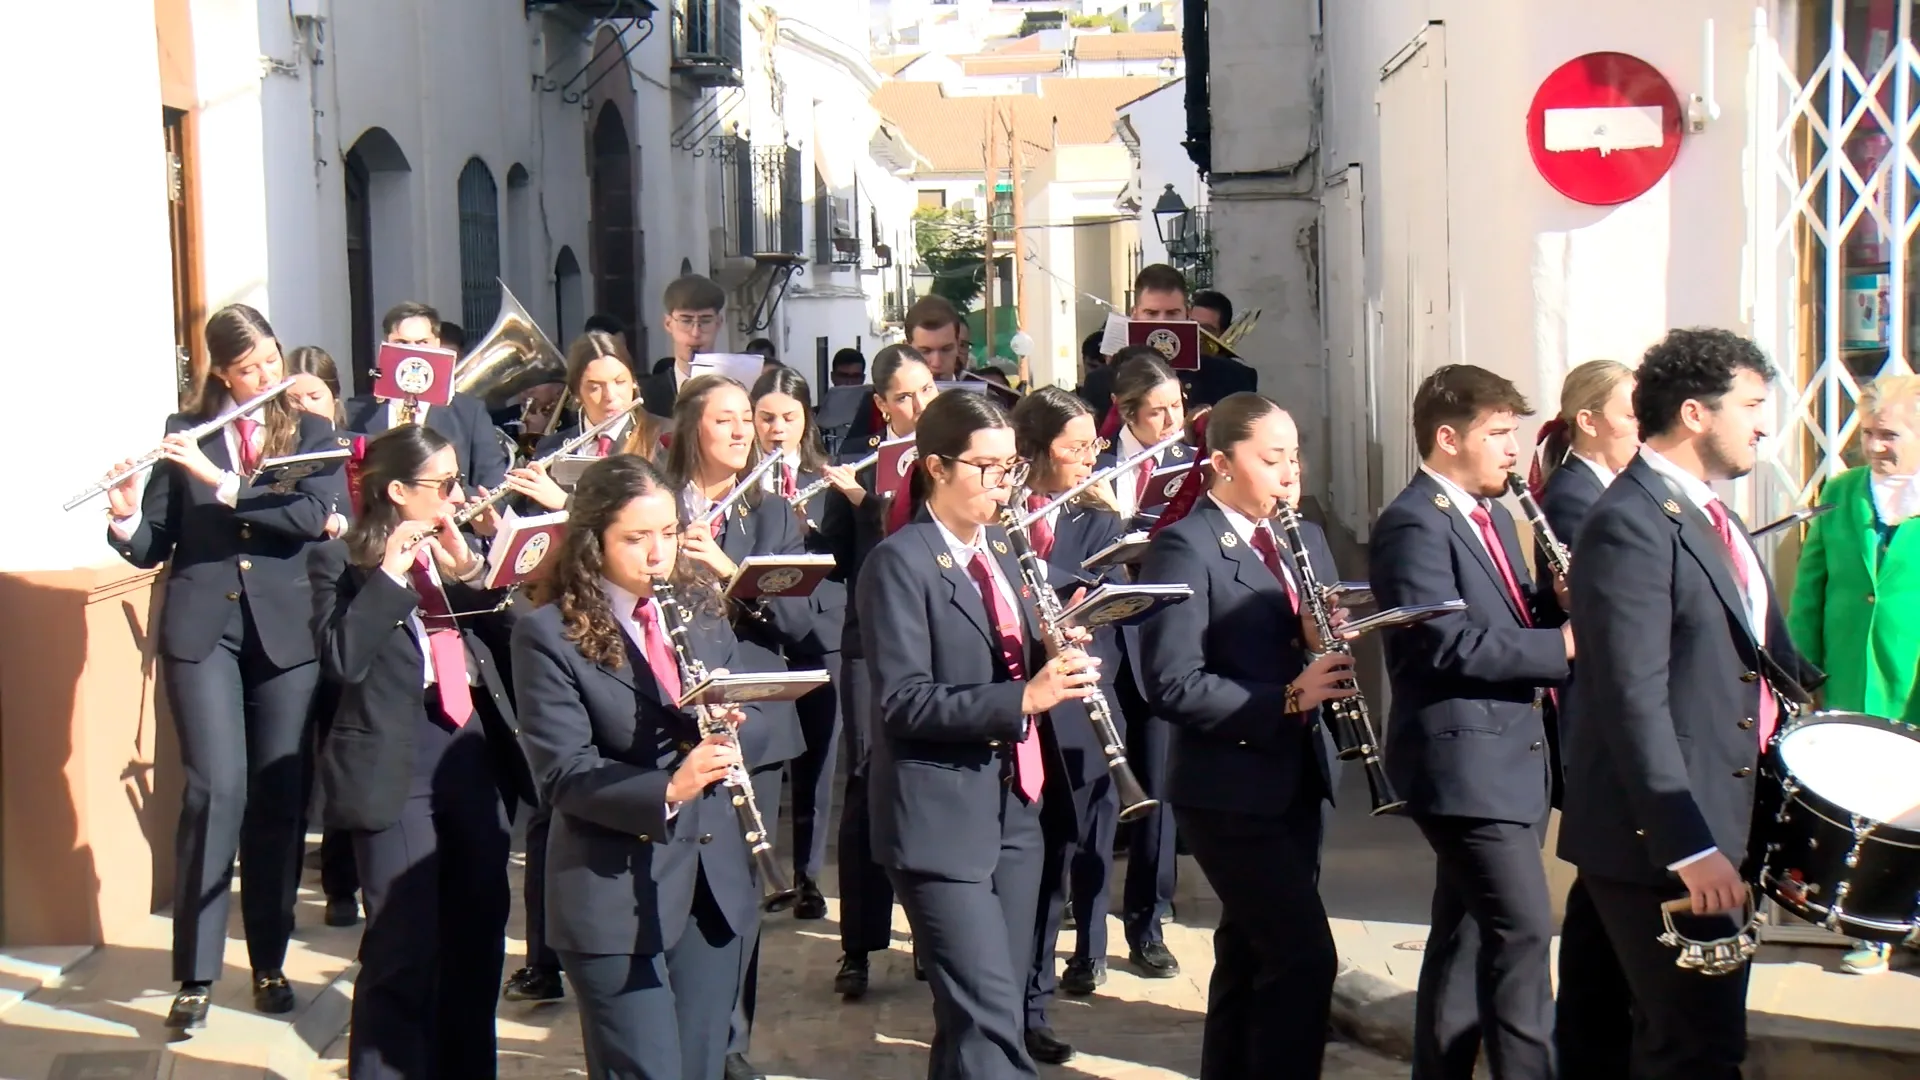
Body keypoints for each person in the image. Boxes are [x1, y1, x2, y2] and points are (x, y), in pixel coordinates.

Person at [1558, 327, 1822, 1078]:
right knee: (1697, 1051)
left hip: (1716, 822)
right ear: (1697, 414)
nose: (1765, 424)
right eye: (1752, 404)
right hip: (1669, 846)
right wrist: (1689, 846)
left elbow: (1770, 663)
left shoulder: (1711, 517)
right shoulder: (1628, 524)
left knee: (1613, 1040)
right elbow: (1629, 698)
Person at [103, 305, 342, 1029]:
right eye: (250, 370)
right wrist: (123, 517)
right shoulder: (182, 434)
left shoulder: (311, 431)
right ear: (222, 374)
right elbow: (155, 542)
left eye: (271, 360)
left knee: (276, 795)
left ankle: (267, 962)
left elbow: (309, 517)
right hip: (205, 628)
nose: (268, 377)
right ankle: (196, 974)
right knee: (215, 790)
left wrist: (227, 482)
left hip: (283, 633)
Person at [859, 389, 1099, 1080]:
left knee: (978, 1022)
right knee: (990, 1014)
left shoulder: (1004, 547)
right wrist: (1023, 695)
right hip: (938, 816)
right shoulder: (899, 564)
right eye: (987, 469)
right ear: (935, 467)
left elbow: (1018, 651)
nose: (1004, 485)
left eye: (1011, 470)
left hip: (1016, 806)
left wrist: (1060, 643)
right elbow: (903, 702)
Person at [511, 454, 763, 1080]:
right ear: (592, 541)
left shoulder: (700, 607)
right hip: (614, 891)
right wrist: (672, 785)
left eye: (669, 533)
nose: (658, 554)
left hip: (710, 882)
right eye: (636, 538)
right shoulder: (547, 634)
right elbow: (563, 772)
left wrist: (735, 720)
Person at [1136, 392, 1354, 1078]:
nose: (1291, 473)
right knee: (1304, 959)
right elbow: (1171, 683)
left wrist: (1319, 640)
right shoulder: (1185, 546)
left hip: (1297, 777)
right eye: (1272, 458)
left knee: (1248, 954)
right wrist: (1286, 697)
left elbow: (1298, 643)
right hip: (1228, 788)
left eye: (1295, 456)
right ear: (1223, 464)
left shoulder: (1306, 536)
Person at [307, 424, 533, 1079]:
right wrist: (390, 576)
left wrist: (474, 572)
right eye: (441, 486)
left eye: (456, 481)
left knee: (478, 934)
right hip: (392, 759)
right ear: (397, 490)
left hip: (466, 750)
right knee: (404, 946)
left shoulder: (453, 553)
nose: (454, 496)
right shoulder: (338, 563)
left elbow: (517, 635)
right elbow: (342, 661)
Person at [1371, 364, 1572, 1080]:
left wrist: (1555, 603)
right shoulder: (1412, 523)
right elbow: (1444, 645)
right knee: (1521, 935)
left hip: (1504, 761)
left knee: (1460, 944)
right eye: (1497, 433)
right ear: (1448, 437)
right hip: (1463, 768)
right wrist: (1565, 646)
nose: (1513, 449)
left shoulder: (1486, 518)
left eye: (1513, 432)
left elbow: (1503, 622)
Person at [665, 374, 812, 1080]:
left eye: (743, 421)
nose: (739, 432)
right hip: (673, 722)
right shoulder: (654, 505)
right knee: (674, 884)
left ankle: (730, 1045)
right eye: (723, 420)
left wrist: (730, 573)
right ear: (691, 427)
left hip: (756, 725)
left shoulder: (776, 514)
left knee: (738, 894)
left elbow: (801, 622)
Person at [1525, 359, 1639, 1080]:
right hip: (1592, 705)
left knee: (1603, 898)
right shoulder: (1574, 497)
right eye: (1631, 414)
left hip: (1601, 703)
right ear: (1590, 420)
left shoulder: (1604, 489)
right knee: (1604, 881)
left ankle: (1594, 1045)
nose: (1640, 427)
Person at [816, 344, 940, 998]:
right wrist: (860, 500)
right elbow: (836, 558)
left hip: (939, 640)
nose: (919, 405)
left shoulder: (952, 452)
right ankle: (859, 944)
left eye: (926, 390)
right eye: (905, 396)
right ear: (881, 404)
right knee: (865, 784)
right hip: (870, 642)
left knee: (927, 780)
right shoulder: (858, 464)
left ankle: (929, 933)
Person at [1788, 372, 1920, 976]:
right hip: (1850, 683)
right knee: (1864, 812)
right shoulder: (1842, 494)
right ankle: (1870, 928)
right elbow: (1809, 594)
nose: (1875, 447)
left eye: (1889, 434)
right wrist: (1801, 676)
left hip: (1911, 684)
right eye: (1868, 434)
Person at [1011, 387, 1127, 1066]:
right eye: (1075, 445)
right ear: (1035, 448)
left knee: (1058, 859)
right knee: (1015, 868)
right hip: (1014, 704)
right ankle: (999, 1004)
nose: (1090, 457)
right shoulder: (999, 515)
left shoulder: (1098, 519)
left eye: (1094, 445)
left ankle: (1035, 1005)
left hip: (1078, 708)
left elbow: (1107, 599)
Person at [751, 366, 844, 924]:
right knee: (765, 756)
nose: (777, 429)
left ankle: (809, 874)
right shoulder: (740, 483)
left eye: (789, 417)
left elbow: (847, 559)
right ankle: (763, 867)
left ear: (806, 418)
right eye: (767, 418)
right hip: (760, 627)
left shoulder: (827, 477)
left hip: (818, 630)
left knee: (817, 757)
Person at [281, 344, 361, 927]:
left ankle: (342, 878)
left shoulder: (359, 447)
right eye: (293, 399)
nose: (305, 407)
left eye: (314, 395)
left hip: (348, 605)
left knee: (342, 743)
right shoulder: (283, 452)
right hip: (289, 606)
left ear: (335, 396)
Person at [344, 301, 511, 495]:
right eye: (402, 343)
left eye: (422, 343)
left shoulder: (469, 413)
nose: (413, 352)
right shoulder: (354, 413)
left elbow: (494, 489)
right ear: (386, 345)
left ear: (438, 345)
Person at [642, 274, 728, 418]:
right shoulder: (646, 395)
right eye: (686, 321)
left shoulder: (738, 387)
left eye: (705, 321)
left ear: (718, 323)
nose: (695, 333)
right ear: (668, 324)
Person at [1190, 289, 1259, 403]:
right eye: (1190, 325)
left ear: (1222, 333)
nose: (1196, 334)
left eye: (1206, 330)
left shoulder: (1238, 376)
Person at [904, 295, 966, 379]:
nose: (936, 363)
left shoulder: (985, 391)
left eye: (946, 349)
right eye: (925, 351)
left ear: (958, 346)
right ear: (907, 351)